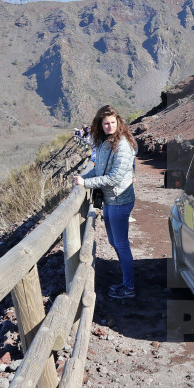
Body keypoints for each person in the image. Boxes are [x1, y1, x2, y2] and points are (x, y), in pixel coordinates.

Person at [73, 105, 138, 299]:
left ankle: (129, 287)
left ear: (118, 122)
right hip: (111, 199)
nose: (109, 126)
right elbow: (100, 169)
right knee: (114, 242)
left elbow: (114, 178)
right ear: (100, 125)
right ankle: (126, 282)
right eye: (105, 123)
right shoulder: (106, 142)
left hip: (120, 199)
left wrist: (86, 182)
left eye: (112, 122)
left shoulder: (123, 146)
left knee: (121, 243)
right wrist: (84, 177)